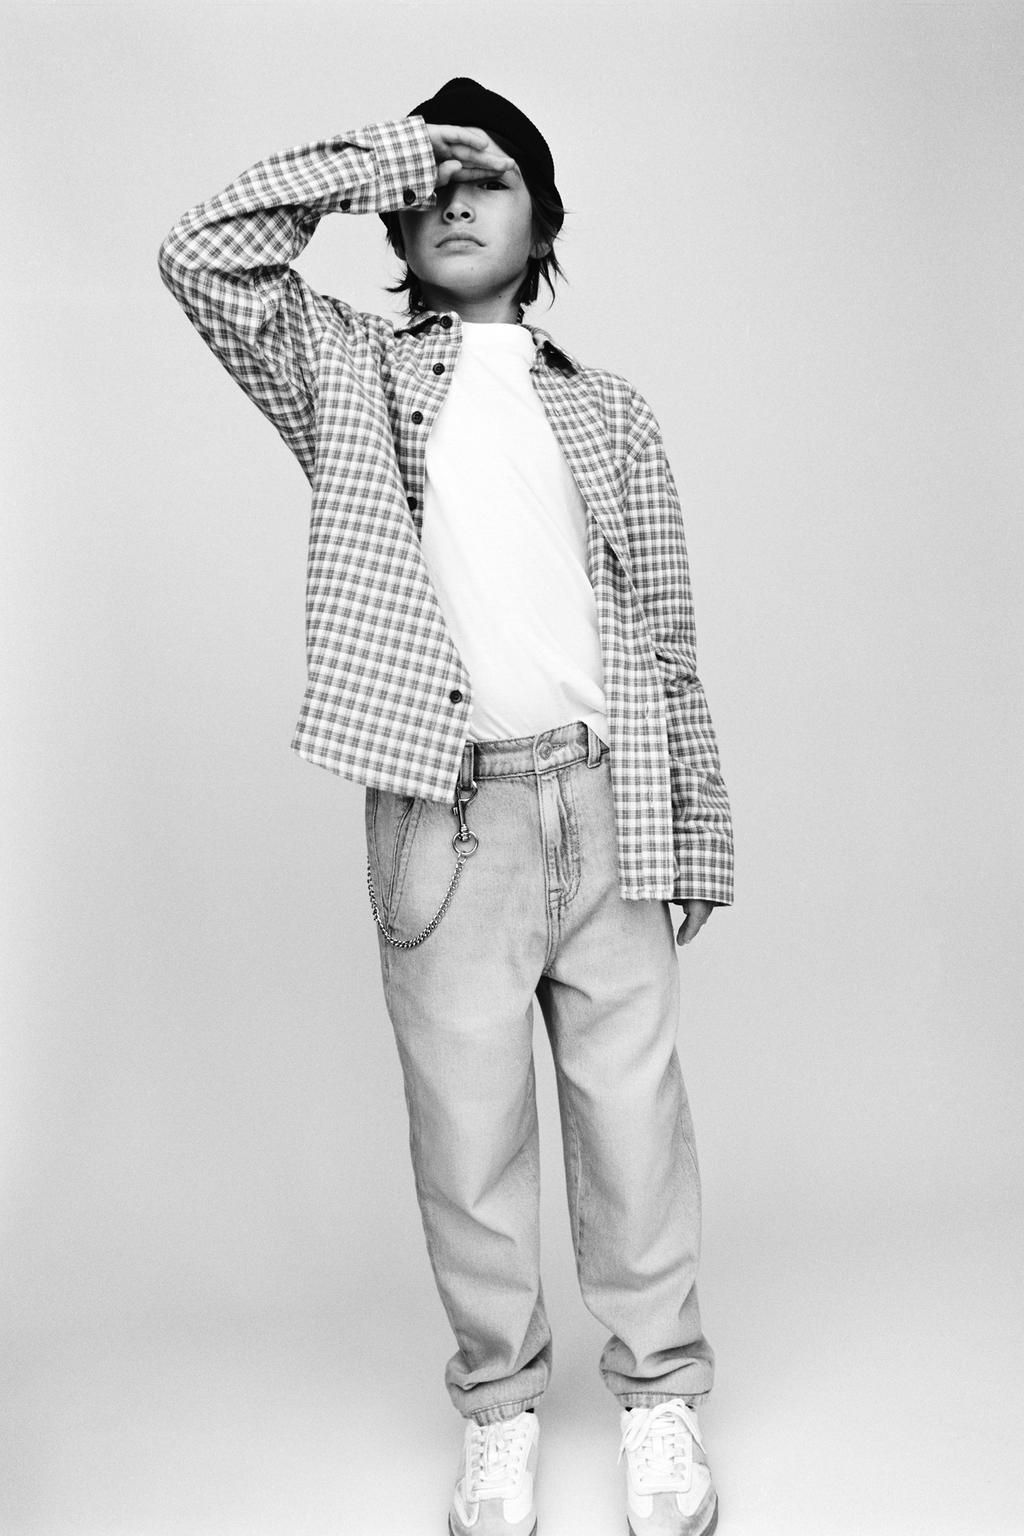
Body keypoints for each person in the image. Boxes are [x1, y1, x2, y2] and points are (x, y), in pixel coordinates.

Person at [159, 75, 733, 1536]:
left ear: (546, 218)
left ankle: (660, 1396)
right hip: (447, 813)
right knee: (469, 1135)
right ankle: (500, 1410)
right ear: (397, 221)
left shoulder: (611, 410)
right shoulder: (347, 371)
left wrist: (698, 821)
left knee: (634, 1120)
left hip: (607, 796)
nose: (456, 203)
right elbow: (203, 253)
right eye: (431, 189)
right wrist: (389, 154)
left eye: (491, 180)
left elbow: (667, 632)